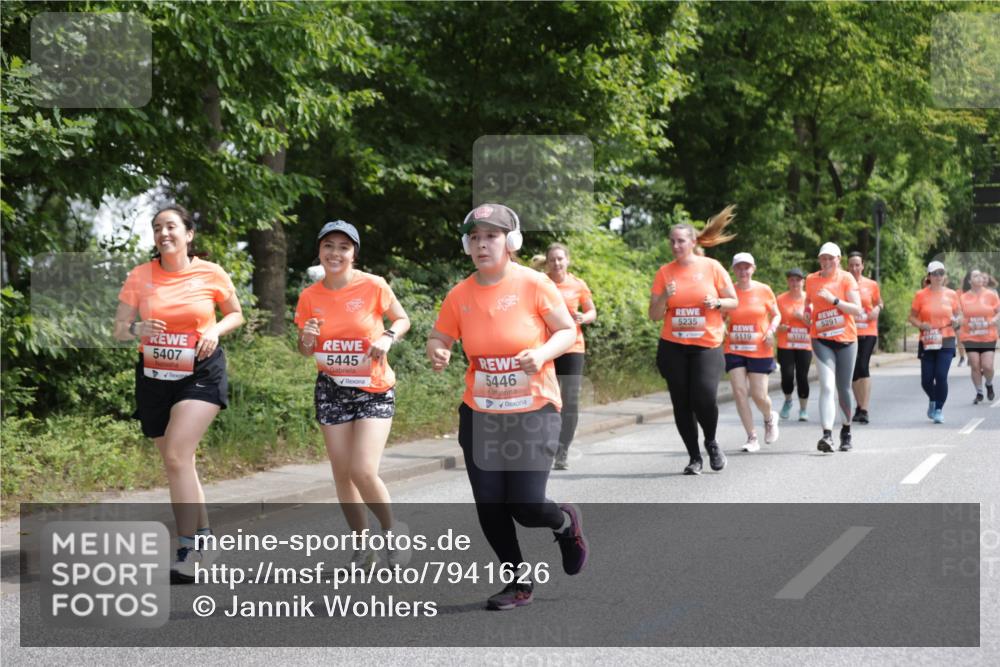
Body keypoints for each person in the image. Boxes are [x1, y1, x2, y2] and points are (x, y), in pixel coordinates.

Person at [426, 203, 588, 611]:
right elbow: (439, 336)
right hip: (480, 412)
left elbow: (567, 330)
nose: (483, 244)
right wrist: (439, 351)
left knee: (527, 505)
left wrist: (543, 351)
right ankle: (518, 582)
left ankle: (565, 523)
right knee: (490, 502)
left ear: (510, 242)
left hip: (533, 408)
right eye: (476, 237)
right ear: (467, 244)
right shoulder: (459, 295)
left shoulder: (534, 284)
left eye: (492, 236)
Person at [114, 205, 244, 582]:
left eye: (171, 226)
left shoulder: (210, 272)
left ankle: (187, 549)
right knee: (179, 463)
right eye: (157, 228)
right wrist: (138, 329)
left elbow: (235, 314)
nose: (163, 232)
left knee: (175, 455)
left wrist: (214, 331)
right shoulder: (141, 276)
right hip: (154, 377)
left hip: (200, 373)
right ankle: (205, 541)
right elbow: (119, 329)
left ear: (188, 234)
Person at [295, 220, 411, 568]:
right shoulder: (310, 296)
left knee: (362, 469)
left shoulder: (374, 286)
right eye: (328, 245)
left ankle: (392, 531)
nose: (335, 253)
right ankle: (362, 544)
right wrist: (308, 338)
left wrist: (387, 336)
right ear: (319, 250)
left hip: (373, 388)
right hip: (331, 389)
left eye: (343, 247)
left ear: (353, 254)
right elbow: (305, 349)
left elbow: (402, 319)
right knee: (342, 473)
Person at [648, 206, 738, 474]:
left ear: (693, 242)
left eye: (681, 241)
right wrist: (664, 296)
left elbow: (733, 301)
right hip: (673, 346)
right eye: (672, 241)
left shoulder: (712, 267)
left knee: (704, 397)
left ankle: (711, 441)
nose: (676, 246)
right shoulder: (664, 273)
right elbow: (654, 315)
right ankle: (694, 457)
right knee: (681, 402)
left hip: (706, 345)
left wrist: (718, 302)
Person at [804, 242, 863, 452]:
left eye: (831, 258)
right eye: (823, 258)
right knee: (827, 386)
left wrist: (835, 300)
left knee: (843, 387)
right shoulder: (811, 279)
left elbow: (857, 309)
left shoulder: (846, 278)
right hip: (821, 338)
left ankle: (846, 431)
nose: (827, 262)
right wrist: (808, 312)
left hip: (846, 340)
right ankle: (827, 435)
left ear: (838, 259)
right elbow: (808, 302)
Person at [544, 242, 597, 470]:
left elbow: (592, 311)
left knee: (570, 402)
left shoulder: (578, 284)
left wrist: (583, 318)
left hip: (573, 347)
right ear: (547, 262)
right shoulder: (541, 283)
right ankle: (548, 445)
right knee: (548, 400)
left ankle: (562, 449)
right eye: (553, 259)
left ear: (567, 260)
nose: (557, 263)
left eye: (560, 259)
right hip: (546, 347)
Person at [721, 252, 780, 452]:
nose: (743, 271)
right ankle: (752, 436)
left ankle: (769, 417)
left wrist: (771, 331)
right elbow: (720, 317)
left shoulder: (764, 290)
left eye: (746, 267)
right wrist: (723, 329)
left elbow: (777, 315)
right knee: (739, 392)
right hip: (735, 347)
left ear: (753, 269)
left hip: (759, 347)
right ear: (733, 270)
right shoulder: (729, 292)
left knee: (758, 395)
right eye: (739, 267)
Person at [908, 261, 963, 423]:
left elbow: (959, 315)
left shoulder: (952, 294)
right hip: (927, 340)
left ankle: (939, 408)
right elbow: (911, 317)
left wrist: (956, 321)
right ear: (929, 276)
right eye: (935, 273)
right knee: (926, 380)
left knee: (941, 376)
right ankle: (933, 399)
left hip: (946, 338)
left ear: (944, 276)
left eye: (941, 273)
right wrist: (920, 324)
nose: (938, 276)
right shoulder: (920, 295)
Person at [847, 251, 883, 424]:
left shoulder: (871, 284)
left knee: (863, 365)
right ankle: (859, 406)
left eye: (857, 264)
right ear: (847, 266)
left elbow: (879, 302)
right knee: (854, 371)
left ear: (862, 266)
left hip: (868, 331)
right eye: (851, 265)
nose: (854, 268)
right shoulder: (843, 283)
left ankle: (865, 409)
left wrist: (877, 309)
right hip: (850, 332)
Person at [776, 268, 813, 422]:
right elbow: (773, 320)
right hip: (786, 344)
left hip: (804, 345)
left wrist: (802, 318)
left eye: (798, 280)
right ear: (788, 282)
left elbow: (815, 325)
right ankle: (788, 400)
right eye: (792, 280)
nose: (795, 283)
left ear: (803, 282)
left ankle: (803, 410)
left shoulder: (809, 300)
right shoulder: (780, 299)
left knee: (802, 377)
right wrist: (779, 327)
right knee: (787, 376)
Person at [958, 269, 998, 404]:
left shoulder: (991, 295)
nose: (980, 278)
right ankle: (979, 392)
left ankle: (989, 383)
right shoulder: (963, 298)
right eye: (975, 276)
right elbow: (959, 315)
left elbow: (999, 312)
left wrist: (993, 320)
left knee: (987, 366)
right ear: (970, 281)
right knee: (975, 364)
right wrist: (962, 321)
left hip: (988, 335)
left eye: (981, 275)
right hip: (970, 336)